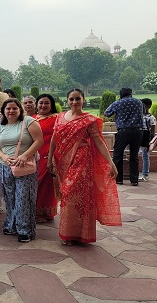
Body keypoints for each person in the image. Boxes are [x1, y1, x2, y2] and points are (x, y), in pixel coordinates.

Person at [48, 89, 121, 245]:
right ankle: (69, 234)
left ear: (83, 100)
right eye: (71, 99)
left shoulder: (89, 119)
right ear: (66, 101)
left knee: (76, 196)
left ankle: (80, 234)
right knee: (66, 196)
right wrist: (50, 160)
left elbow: (99, 141)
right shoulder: (60, 117)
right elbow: (54, 139)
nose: (74, 102)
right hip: (62, 161)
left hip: (82, 161)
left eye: (78, 99)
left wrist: (110, 162)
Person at [0, 98, 43, 243]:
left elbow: (39, 140)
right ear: (3, 111)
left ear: (20, 110)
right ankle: (12, 224)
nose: (11, 111)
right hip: (6, 165)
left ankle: (25, 230)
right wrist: (4, 156)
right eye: (8, 109)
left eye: (14, 108)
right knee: (9, 197)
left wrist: (25, 155)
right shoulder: (0, 126)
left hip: (24, 166)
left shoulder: (28, 122)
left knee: (23, 197)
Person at [104, 87, 145, 186]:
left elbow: (107, 113)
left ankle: (118, 179)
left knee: (118, 155)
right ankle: (134, 180)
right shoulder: (139, 102)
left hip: (123, 131)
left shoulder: (118, 103)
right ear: (131, 93)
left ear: (121, 94)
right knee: (134, 156)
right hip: (138, 131)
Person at [33, 94, 58, 223]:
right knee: (32, 183)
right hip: (32, 155)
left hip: (48, 155)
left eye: (47, 103)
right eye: (41, 102)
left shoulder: (56, 119)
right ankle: (32, 210)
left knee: (46, 185)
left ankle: (44, 212)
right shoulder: (31, 118)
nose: (43, 105)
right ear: (36, 105)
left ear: (51, 105)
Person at [140, 98, 156, 181]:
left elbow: (152, 130)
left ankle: (145, 174)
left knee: (145, 155)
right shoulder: (139, 115)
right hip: (139, 135)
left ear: (148, 106)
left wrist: (151, 140)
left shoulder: (151, 117)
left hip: (146, 137)